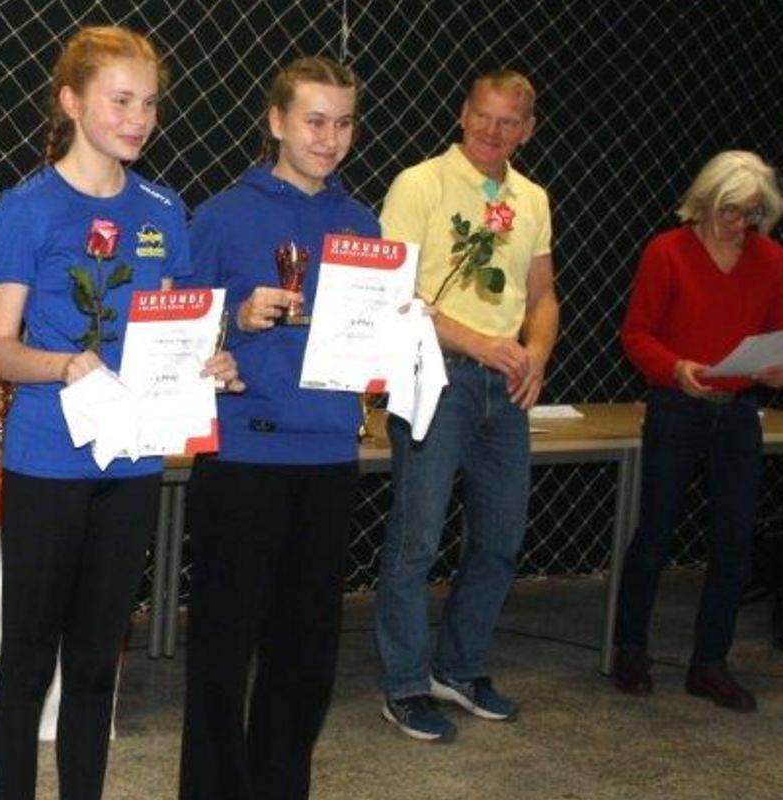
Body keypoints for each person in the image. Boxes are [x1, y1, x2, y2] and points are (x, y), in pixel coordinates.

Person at [0, 25, 239, 800]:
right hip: (47, 461)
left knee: (97, 665)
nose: (139, 119)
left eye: (150, 104)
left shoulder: (164, 208)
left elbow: (177, 330)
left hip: (132, 463)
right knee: (29, 660)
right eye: (121, 101)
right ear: (71, 101)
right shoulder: (27, 209)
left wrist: (210, 363)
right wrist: (61, 364)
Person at [174, 55, 376, 800]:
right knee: (223, 653)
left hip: (328, 455)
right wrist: (236, 316)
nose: (329, 138)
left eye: (343, 123)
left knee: (306, 656)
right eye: (314, 120)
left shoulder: (362, 225)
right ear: (277, 122)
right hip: (244, 454)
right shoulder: (222, 216)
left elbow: (371, 340)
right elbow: (175, 332)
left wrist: (397, 337)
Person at [372, 69, 560, 743]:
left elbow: (543, 295)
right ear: (462, 113)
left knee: (501, 540)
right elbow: (395, 292)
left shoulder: (532, 198)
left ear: (528, 130)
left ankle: (459, 667)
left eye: (508, 122)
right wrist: (484, 344)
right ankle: (403, 684)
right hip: (436, 377)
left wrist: (535, 354)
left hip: (504, 387)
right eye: (482, 115)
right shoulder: (418, 184)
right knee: (416, 540)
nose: (492, 131)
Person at [612, 150, 783, 713]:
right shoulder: (667, 251)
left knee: (734, 545)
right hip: (677, 407)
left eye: (751, 213)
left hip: (738, 413)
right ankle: (630, 649)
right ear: (705, 202)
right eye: (729, 211)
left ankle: (710, 663)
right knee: (655, 536)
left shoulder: (770, 258)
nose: (738, 224)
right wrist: (676, 369)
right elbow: (637, 335)